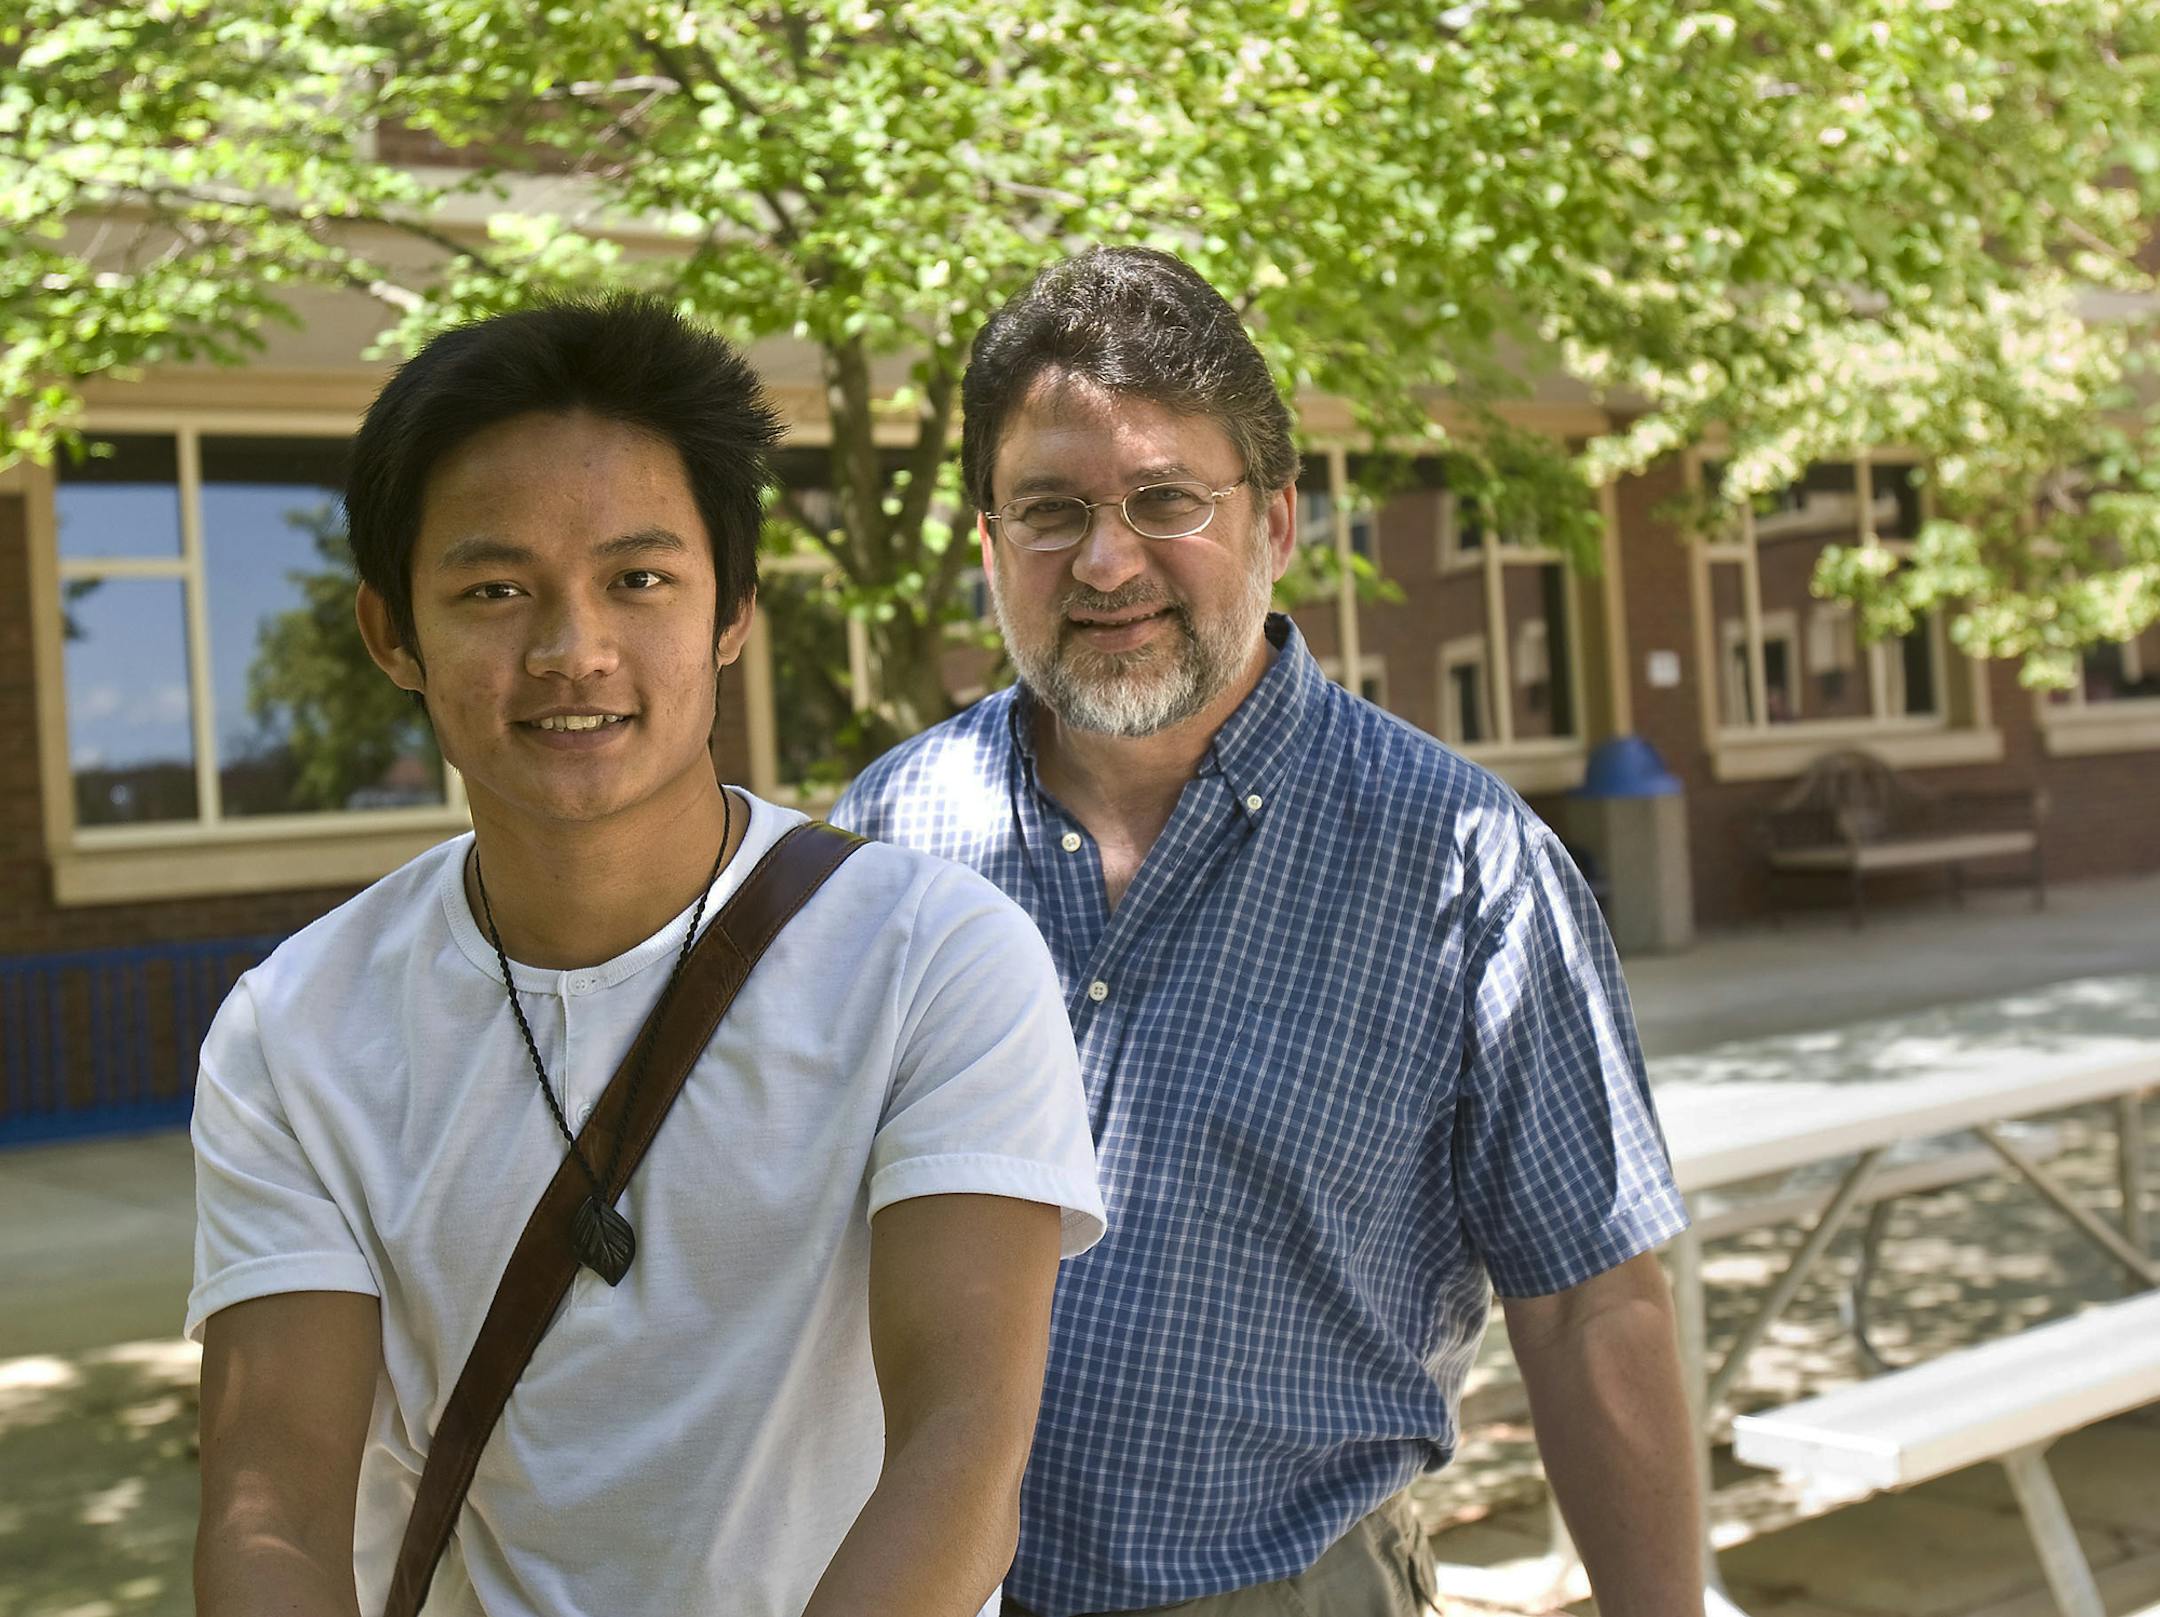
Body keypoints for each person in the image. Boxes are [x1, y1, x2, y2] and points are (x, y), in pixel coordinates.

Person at [187, 297, 1105, 1617]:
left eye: (638, 578)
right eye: (495, 589)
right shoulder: (294, 1033)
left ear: (732, 610)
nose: (573, 651)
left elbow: (960, 1457)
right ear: (393, 633)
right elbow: (270, 1496)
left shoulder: (933, 963)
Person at [835, 247, 1702, 1617]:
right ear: (991, 548)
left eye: (1167, 499)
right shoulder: (890, 835)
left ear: (1279, 522)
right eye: (1051, 510)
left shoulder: (1467, 865)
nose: (1109, 559)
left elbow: (1589, 1303)